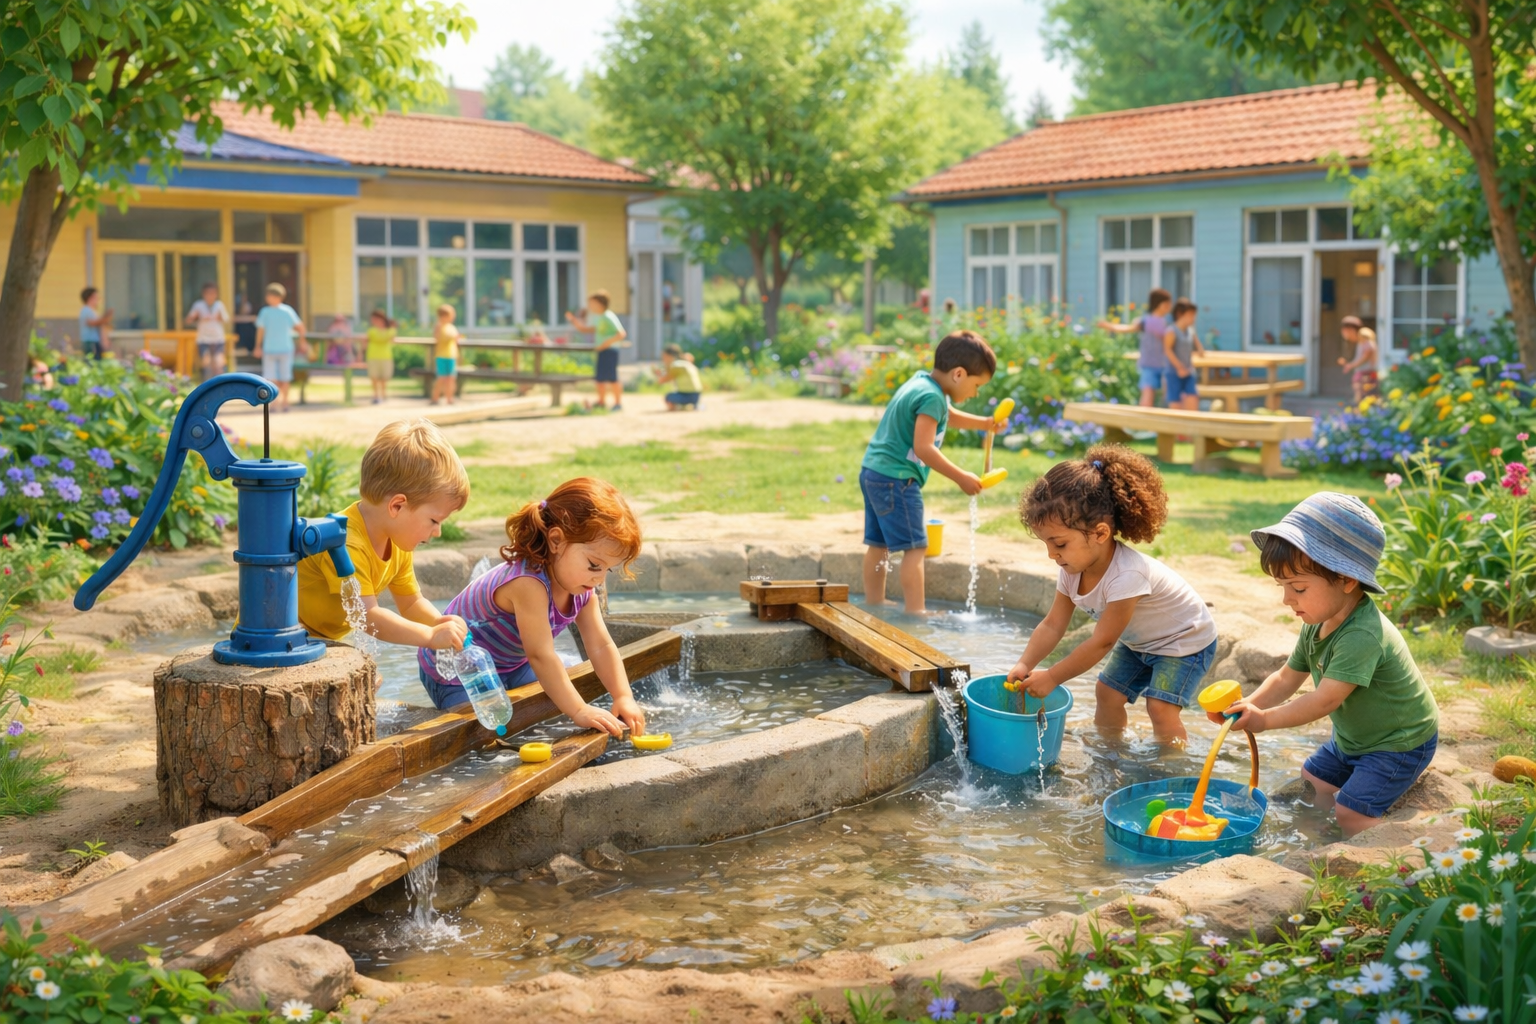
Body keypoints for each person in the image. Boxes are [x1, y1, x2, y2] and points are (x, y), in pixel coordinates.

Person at [1215, 493, 1439, 837]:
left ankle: (1410, 838)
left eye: (1299, 588)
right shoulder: (1316, 623)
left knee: (1350, 811)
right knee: (1311, 785)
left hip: (1399, 742)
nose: (1287, 599)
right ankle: (1315, 842)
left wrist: (1265, 720)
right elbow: (1286, 677)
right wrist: (1249, 705)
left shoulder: (1362, 634)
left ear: (1347, 580)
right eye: (1283, 587)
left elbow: (1324, 701)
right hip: (1353, 740)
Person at [1008, 445, 1217, 748]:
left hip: (1184, 641)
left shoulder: (1127, 575)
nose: (1052, 554)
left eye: (1060, 544)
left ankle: (1172, 765)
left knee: (1159, 707)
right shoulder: (1071, 569)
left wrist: (1053, 676)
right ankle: (1110, 748)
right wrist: (1024, 663)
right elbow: (1053, 624)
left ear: (1100, 533)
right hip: (1141, 642)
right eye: (1046, 544)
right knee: (1106, 693)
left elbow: (1102, 641)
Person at [415, 477, 647, 742]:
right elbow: (541, 655)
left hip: (511, 664)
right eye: (595, 564)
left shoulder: (582, 588)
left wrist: (623, 696)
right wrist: (579, 710)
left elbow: (601, 646)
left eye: (609, 569)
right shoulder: (528, 583)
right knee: (481, 736)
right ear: (556, 540)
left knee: (561, 689)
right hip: (458, 670)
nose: (600, 579)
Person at [860, 330, 1004, 615]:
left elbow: (946, 415)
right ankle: (917, 612)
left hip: (874, 472)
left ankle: (874, 601)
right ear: (959, 374)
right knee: (915, 548)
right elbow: (924, 448)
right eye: (977, 385)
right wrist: (961, 476)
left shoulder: (923, 384)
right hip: (899, 479)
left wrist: (985, 423)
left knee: (879, 545)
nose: (976, 393)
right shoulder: (932, 397)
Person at [296, 419, 471, 652]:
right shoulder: (346, 544)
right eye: (434, 520)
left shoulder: (396, 541)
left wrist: (439, 623)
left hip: (320, 639)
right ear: (397, 506)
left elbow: (411, 603)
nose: (437, 531)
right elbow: (368, 616)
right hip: (282, 637)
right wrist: (429, 636)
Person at [1098, 287, 1173, 407]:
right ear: (1161, 304)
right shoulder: (1145, 321)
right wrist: (1110, 326)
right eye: (1168, 303)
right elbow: (1128, 328)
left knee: (1168, 399)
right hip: (1149, 365)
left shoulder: (1167, 323)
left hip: (1166, 365)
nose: (1170, 306)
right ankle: (1142, 425)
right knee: (1147, 398)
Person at [566, 290, 627, 411]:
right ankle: (601, 402)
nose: (589, 306)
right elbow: (586, 330)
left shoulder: (608, 316)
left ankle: (618, 403)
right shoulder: (598, 318)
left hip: (610, 351)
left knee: (612, 378)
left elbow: (621, 334)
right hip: (602, 351)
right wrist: (574, 321)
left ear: (600, 303)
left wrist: (605, 344)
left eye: (592, 303)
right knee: (599, 378)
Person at [253, 283, 308, 412]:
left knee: (285, 376)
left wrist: (302, 341)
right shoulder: (265, 312)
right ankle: (275, 401)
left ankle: (285, 401)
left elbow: (300, 327)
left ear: (279, 297)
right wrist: (258, 346)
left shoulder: (286, 311)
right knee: (271, 377)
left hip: (285, 348)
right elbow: (261, 330)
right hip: (269, 349)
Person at [1161, 298, 1206, 411]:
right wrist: (1179, 367)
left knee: (1193, 401)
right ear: (1180, 314)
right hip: (1173, 374)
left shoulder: (1190, 331)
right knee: (1176, 407)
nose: (1193, 318)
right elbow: (1167, 350)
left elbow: (1200, 349)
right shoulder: (1171, 331)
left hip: (1189, 372)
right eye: (1190, 315)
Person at [185, 282, 230, 379]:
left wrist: (219, 317)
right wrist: (196, 318)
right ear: (203, 294)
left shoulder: (219, 305)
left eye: (213, 293)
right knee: (206, 362)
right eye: (208, 293)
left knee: (218, 363)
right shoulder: (198, 305)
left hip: (217, 338)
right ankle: (207, 386)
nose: (210, 295)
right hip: (203, 339)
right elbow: (188, 320)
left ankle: (220, 384)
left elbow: (226, 319)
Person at [1338, 322, 1379, 403]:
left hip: (1366, 372)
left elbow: (1363, 358)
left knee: (1363, 393)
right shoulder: (1362, 344)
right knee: (1364, 393)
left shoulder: (1368, 344)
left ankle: (1360, 408)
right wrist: (1349, 365)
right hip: (1365, 371)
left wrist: (1351, 365)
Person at [365, 310, 397, 405]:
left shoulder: (389, 330)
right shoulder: (372, 330)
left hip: (385, 355)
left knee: (384, 376)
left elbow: (388, 338)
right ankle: (376, 395)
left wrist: (391, 329)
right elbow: (378, 339)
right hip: (373, 355)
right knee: (374, 376)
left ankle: (383, 394)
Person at [658, 343, 702, 410]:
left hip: (688, 395)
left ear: (670, 356)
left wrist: (659, 373)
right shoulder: (683, 363)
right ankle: (689, 405)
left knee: (668, 397)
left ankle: (680, 406)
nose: (663, 359)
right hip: (697, 395)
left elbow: (663, 380)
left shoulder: (676, 365)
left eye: (664, 356)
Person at [431, 303, 460, 406]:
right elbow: (437, 338)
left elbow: (457, 339)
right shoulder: (439, 326)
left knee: (451, 378)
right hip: (441, 356)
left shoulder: (452, 327)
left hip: (452, 355)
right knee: (441, 378)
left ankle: (450, 398)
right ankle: (435, 398)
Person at [78, 287, 112, 361]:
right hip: (90, 341)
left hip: (95, 340)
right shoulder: (86, 310)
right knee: (92, 361)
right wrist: (105, 319)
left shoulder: (93, 311)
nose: (98, 300)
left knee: (98, 360)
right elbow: (92, 323)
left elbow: (99, 323)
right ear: (90, 298)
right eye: (96, 297)